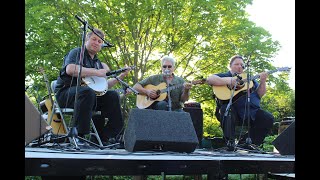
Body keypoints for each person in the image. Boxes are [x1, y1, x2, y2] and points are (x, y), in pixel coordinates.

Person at [54, 28, 131, 145]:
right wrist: (96, 72)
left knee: (112, 95)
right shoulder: (77, 52)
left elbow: (104, 86)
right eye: (94, 39)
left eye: (100, 41)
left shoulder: (97, 62)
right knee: (87, 92)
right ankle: (80, 135)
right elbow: (70, 69)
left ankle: (106, 135)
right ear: (86, 40)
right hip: (66, 94)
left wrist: (121, 75)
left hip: (88, 98)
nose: (96, 43)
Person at [206, 55, 274, 149]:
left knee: (268, 117)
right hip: (233, 111)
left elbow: (260, 94)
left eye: (242, 65)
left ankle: (248, 143)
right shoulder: (226, 75)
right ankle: (229, 143)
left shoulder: (249, 78)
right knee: (227, 110)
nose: (239, 66)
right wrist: (230, 80)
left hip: (251, 111)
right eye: (236, 64)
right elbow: (209, 79)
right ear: (230, 66)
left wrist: (263, 81)